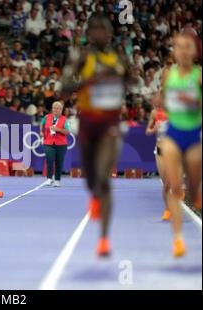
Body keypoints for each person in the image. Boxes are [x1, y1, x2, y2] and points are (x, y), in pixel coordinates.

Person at [60, 13, 132, 257]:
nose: (103, 35)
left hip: (109, 125)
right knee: (91, 179)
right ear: (90, 34)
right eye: (98, 31)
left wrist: (121, 74)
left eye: (106, 31)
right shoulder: (80, 56)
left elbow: (133, 83)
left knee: (104, 177)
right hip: (88, 123)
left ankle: (103, 240)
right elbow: (63, 88)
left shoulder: (119, 56)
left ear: (110, 34)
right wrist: (92, 79)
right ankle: (93, 193)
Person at [156, 31, 202, 257]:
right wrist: (160, 101)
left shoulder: (199, 75)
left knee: (193, 191)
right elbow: (163, 99)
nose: (182, 51)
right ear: (174, 50)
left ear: (194, 51)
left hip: (194, 136)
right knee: (174, 187)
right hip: (173, 134)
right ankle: (177, 240)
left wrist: (193, 101)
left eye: (187, 47)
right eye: (178, 46)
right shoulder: (168, 74)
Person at [146, 97, 185, 221]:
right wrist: (154, 129)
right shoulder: (155, 113)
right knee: (166, 185)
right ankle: (168, 209)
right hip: (159, 151)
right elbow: (147, 131)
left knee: (172, 182)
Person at [40, 101, 70, 187]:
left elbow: (67, 132)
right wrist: (41, 132)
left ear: (61, 110)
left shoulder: (64, 119)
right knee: (49, 159)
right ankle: (49, 178)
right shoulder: (47, 117)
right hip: (48, 142)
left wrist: (58, 129)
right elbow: (41, 124)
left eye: (57, 108)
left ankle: (57, 180)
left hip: (61, 144)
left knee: (59, 162)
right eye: (54, 108)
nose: (55, 110)